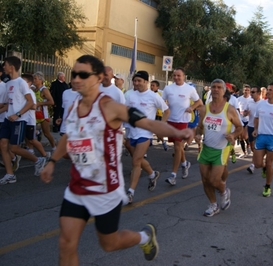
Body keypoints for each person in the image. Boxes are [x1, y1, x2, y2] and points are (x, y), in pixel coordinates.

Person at [40, 55, 194, 264]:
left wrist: (178, 133)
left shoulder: (109, 106)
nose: (76, 79)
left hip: (105, 189)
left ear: (97, 78)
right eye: (74, 74)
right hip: (77, 188)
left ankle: (144, 237)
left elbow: (147, 123)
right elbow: (69, 136)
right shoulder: (74, 106)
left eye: (83, 74)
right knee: (66, 244)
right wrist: (52, 161)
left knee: (109, 244)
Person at [195, 79, 243, 217]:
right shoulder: (205, 109)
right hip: (206, 148)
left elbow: (240, 127)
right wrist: (198, 135)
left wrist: (233, 135)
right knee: (205, 180)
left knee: (214, 180)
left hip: (221, 149)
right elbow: (200, 127)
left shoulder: (230, 109)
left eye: (218, 87)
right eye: (213, 87)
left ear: (223, 91)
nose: (215, 89)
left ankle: (224, 192)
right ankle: (213, 204)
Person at [0, 56, 47, 185]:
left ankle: (38, 160)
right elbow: (6, 104)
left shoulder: (21, 83)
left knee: (14, 148)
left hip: (19, 120)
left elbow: (31, 102)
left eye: (5, 65)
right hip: (7, 120)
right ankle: (10, 175)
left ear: (12, 67)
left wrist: (17, 114)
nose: (4, 67)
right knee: (3, 145)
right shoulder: (8, 83)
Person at [125, 71, 170, 203]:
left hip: (145, 133)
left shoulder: (153, 96)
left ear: (146, 82)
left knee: (136, 161)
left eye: (139, 81)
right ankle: (152, 174)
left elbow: (167, 111)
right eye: (135, 81)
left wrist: (161, 125)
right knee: (136, 159)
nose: (136, 83)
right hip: (131, 132)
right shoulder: (131, 95)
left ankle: (130, 193)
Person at [162, 67, 203, 186]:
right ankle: (185, 164)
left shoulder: (189, 89)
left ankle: (173, 175)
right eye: (174, 75)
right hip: (171, 120)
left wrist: (192, 107)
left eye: (178, 75)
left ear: (184, 76)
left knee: (177, 147)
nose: (176, 77)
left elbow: (199, 102)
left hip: (182, 121)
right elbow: (161, 101)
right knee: (177, 146)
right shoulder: (168, 88)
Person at [33, 71, 57, 151]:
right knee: (29, 133)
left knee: (46, 133)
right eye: (33, 78)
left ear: (40, 80)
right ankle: (30, 149)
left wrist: (40, 103)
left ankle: (54, 147)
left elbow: (52, 102)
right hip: (33, 113)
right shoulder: (32, 88)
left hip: (43, 114)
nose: (34, 80)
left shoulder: (44, 90)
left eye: (35, 78)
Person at [246, 86, 261, 174]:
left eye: (253, 92)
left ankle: (252, 165)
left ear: (259, 94)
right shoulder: (249, 102)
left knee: (255, 146)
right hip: (250, 125)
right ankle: (258, 159)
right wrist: (245, 113)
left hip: (259, 127)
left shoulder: (263, 103)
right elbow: (245, 113)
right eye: (251, 92)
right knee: (252, 146)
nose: (251, 93)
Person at [150, 80, 168, 150]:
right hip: (152, 115)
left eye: (153, 86)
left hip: (159, 115)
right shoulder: (148, 94)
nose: (151, 87)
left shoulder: (160, 93)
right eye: (151, 85)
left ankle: (163, 141)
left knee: (158, 131)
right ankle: (150, 142)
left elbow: (165, 101)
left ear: (157, 87)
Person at [237, 84, 252, 158]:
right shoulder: (239, 99)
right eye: (245, 90)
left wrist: (249, 112)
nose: (246, 91)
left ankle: (248, 145)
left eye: (248, 90)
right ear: (243, 91)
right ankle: (244, 152)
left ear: (250, 91)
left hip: (248, 120)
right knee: (240, 137)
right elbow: (237, 108)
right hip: (240, 119)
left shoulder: (251, 99)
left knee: (245, 135)